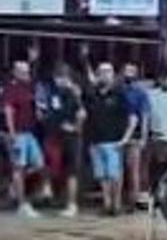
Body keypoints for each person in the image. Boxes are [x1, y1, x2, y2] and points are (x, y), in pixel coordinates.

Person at [85, 62, 135, 215]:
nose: (105, 74)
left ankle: (117, 204)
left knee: (115, 175)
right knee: (102, 175)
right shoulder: (92, 94)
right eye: (102, 71)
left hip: (114, 141)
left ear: (113, 75)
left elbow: (133, 118)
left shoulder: (120, 94)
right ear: (98, 74)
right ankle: (107, 204)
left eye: (108, 71)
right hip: (96, 141)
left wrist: (125, 139)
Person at [40, 63, 86, 217]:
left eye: (63, 78)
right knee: (49, 163)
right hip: (56, 136)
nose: (60, 81)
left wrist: (75, 128)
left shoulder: (74, 93)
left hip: (72, 138)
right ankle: (48, 191)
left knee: (72, 172)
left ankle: (72, 205)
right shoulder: (53, 93)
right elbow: (51, 112)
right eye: (58, 78)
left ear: (68, 78)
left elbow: (82, 114)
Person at [4, 60, 45, 217]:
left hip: (30, 133)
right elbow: (9, 112)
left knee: (38, 164)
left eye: (27, 71)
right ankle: (22, 204)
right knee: (19, 167)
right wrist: (12, 134)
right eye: (22, 71)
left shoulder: (28, 88)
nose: (26, 74)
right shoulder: (11, 89)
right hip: (18, 134)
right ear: (15, 72)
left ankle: (13, 187)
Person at [120, 63, 151, 209]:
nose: (128, 74)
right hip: (118, 133)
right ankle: (121, 198)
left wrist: (144, 136)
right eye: (126, 71)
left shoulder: (140, 92)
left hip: (135, 134)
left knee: (133, 169)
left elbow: (145, 115)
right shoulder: (118, 90)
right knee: (120, 169)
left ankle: (133, 200)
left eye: (131, 71)